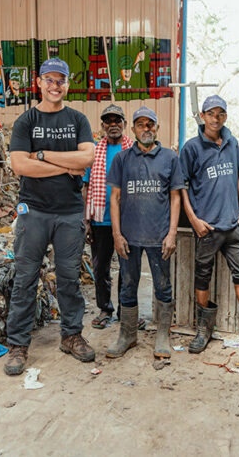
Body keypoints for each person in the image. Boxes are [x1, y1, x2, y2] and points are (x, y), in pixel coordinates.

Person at [6, 57, 96, 375]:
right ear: (39, 83)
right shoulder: (26, 121)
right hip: (34, 211)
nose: (55, 86)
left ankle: (71, 336)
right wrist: (66, 165)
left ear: (67, 84)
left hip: (69, 213)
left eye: (61, 80)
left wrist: (43, 155)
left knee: (70, 279)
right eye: (50, 80)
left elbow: (88, 158)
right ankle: (17, 344)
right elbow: (20, 165)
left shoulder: (78, 120)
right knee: (25, 280)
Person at [179, 95, 239, 354]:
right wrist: (194, 220)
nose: (215, 118)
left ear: (225, 117)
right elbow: (181, 187)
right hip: (207, 228)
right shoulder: (191, 148)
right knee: (202, 276)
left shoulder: (232, 143)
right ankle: (204, 330)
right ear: (202, 116)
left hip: (233, 226)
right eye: (211, 113)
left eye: (220, 113)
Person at [105, 107, 184, 359]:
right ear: (134, 129)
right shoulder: (122, 159)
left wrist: (172, 233)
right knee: (128, 286)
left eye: (150, 124)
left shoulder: (170, 158)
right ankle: (127, 335)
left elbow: (175, 198)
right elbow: (114, 198)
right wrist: (116, 234)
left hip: (159, 237)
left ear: (157, 128)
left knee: (163, 286)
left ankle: (162, 336)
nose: (146, 128)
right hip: (129, 238)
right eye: (141, 124)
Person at [82, 105, 135, 330]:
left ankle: (126, 312)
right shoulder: (94, 151)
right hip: (100, 220)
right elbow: (85, 186)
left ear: (124, 124)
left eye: (117, 120)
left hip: (127, 221)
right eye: (108, 121)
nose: (113, 124)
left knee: (127, 268)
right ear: (103, 125)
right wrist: (86, 221)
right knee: (100, 268)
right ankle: (105, 309)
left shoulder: (133, 150)